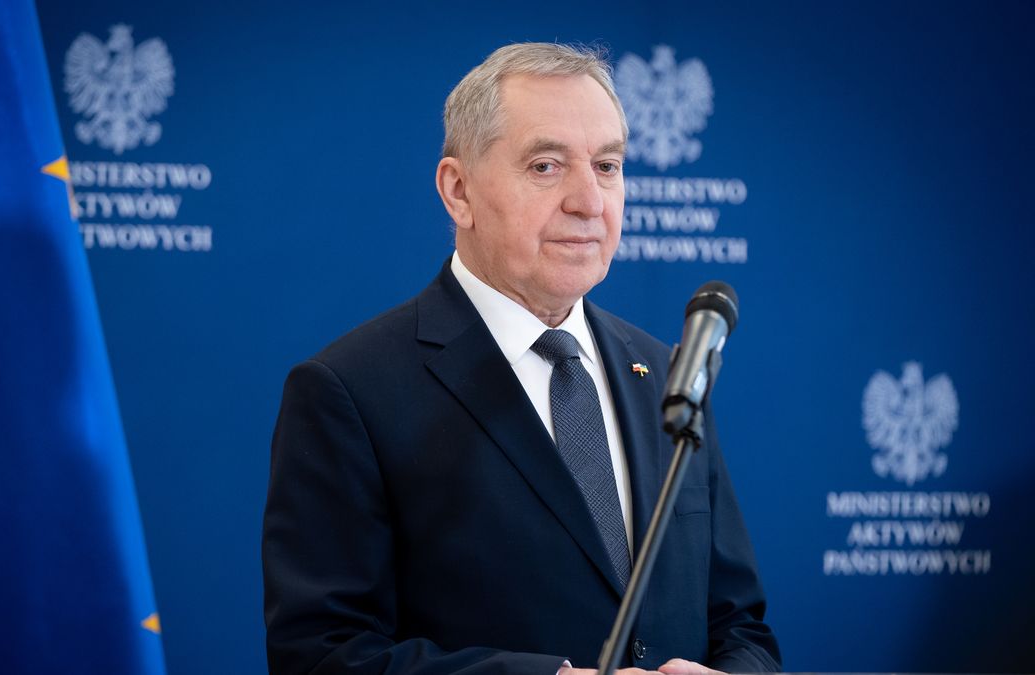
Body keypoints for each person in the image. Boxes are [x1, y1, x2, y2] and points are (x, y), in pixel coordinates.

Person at [262, 43, 781, 675]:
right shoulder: (350, 391)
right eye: (545, 166)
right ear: (458, 191)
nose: (589, 201)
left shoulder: (667, 375)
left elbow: (741, 627)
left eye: (608, 166)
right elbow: (320, 655)